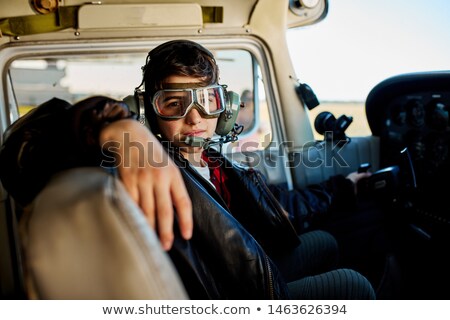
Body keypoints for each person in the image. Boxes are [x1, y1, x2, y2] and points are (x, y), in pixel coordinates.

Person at [0, 40, 376, 299]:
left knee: (327, 242)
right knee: (354, 286)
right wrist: (116, 127)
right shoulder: (143, 166)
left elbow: (276, 204)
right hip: (226, 293)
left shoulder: (214, 162)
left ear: (222, 106)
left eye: (206, 99)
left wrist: (343, 187)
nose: (194, 117)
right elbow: (22, 154)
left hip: (245, 269)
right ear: (150, 112)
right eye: (174, 102)